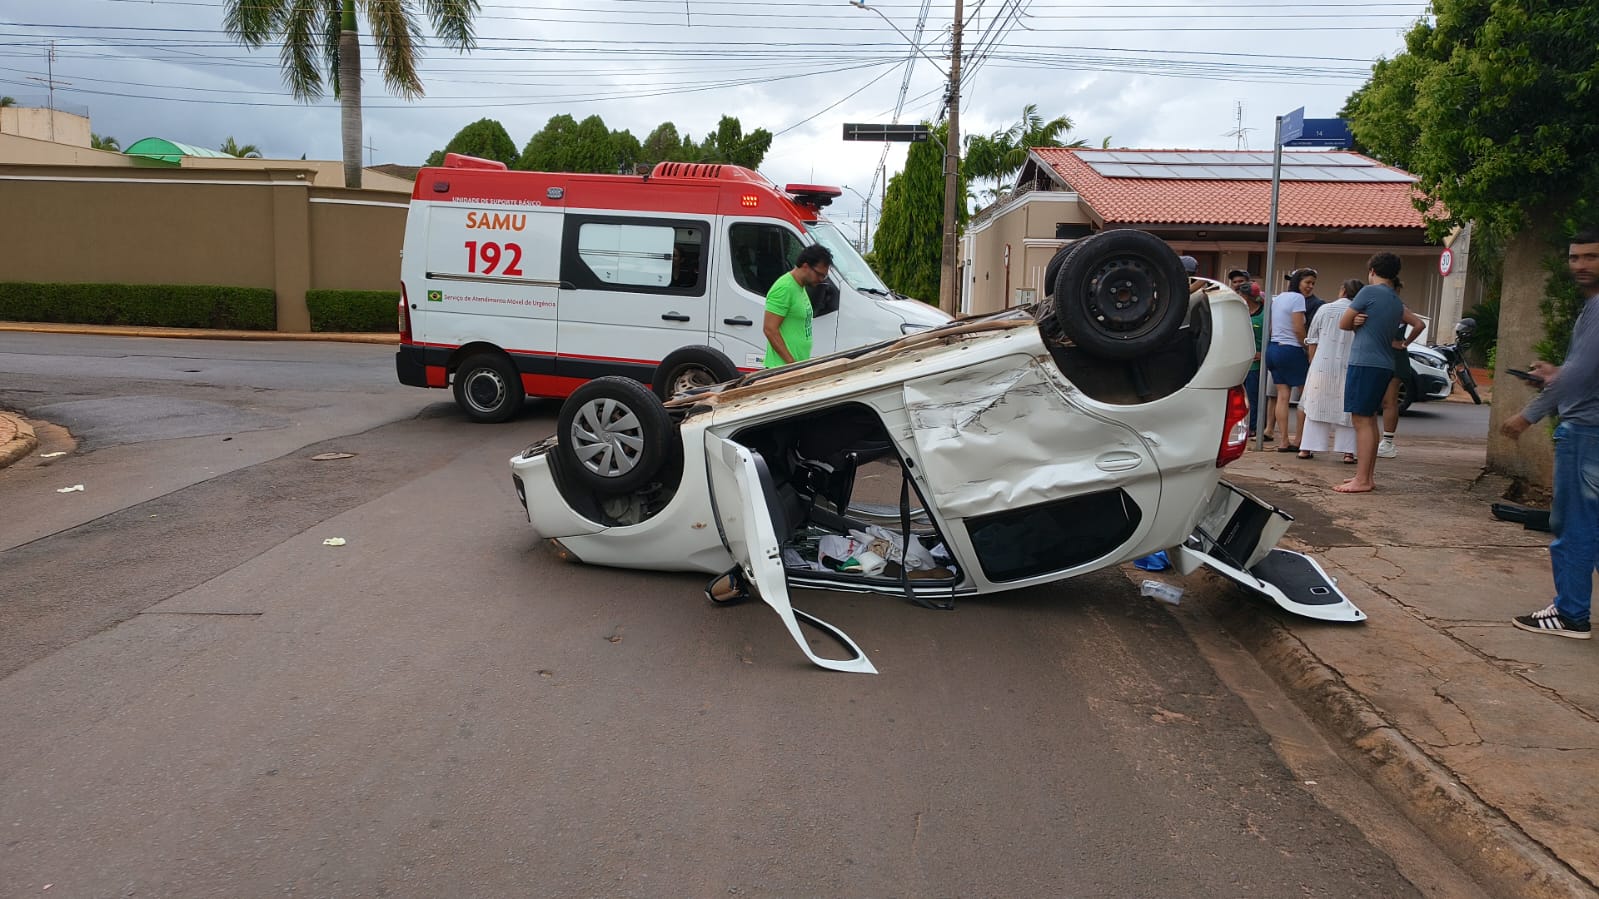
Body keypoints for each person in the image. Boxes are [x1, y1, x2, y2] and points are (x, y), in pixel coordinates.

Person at [1500, 229, 1599, 639]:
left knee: (1573, 524)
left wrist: (1528, 415)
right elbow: (1584, 373)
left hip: (1587, 433)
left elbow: (1579, 376)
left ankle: (1571, 614)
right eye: (1574, 257)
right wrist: (1555, 375)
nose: (1580, 265)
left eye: (1591, 257)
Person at [1335, 253, 1406, 493]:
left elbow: (1343, 323)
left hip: (1365, 361)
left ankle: (1362, 479)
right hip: (1384, 363)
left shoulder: (1368, 292)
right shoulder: (1396, 300)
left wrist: (1355, 321)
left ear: (1372, 270)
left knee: (1361, 420)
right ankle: (1366, 475)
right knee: (1370, 420)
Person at [1297, 279, 1362, 463]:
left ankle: (1307, 448)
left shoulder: (1325, 309)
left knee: (1316, 404)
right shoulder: (1360, 313)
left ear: (1342, 291)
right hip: (1349, 364)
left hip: (1322, 364)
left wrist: (1312, 362)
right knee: (1347, 406)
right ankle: (1348, 452)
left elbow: (1312, 338)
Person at [1266, 269, 1314, 451]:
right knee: (1305, 397)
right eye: (1308, 282)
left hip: (1274, 349)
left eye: (1313, 283)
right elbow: (1298, 328)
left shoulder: (1278, 298)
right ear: (1298, 282)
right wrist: (1308, 347)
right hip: (1291, 349)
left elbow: (1271, 327)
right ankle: (1300, 441)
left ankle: (1283, 440)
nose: (1310, 287)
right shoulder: (1298, 299)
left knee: (1282, 397)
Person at [762, 244, 832, 368]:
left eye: (824, 276)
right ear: (805, 266)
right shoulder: (785, 288)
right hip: (781, 369)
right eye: (819, 274)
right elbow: (770, 329)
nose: (821, 279)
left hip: (795, 366)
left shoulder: (800, 286)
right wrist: (791, 364)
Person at [1375, 305, 1427, 458]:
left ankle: (1387, 442)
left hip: (1394, 358)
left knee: (1389, 401)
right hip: (1377, 355)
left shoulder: (1398, 308)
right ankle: (1372, 441)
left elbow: (1419, 324)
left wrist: (1404, 343)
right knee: (1374, 399)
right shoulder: (1372, 303)